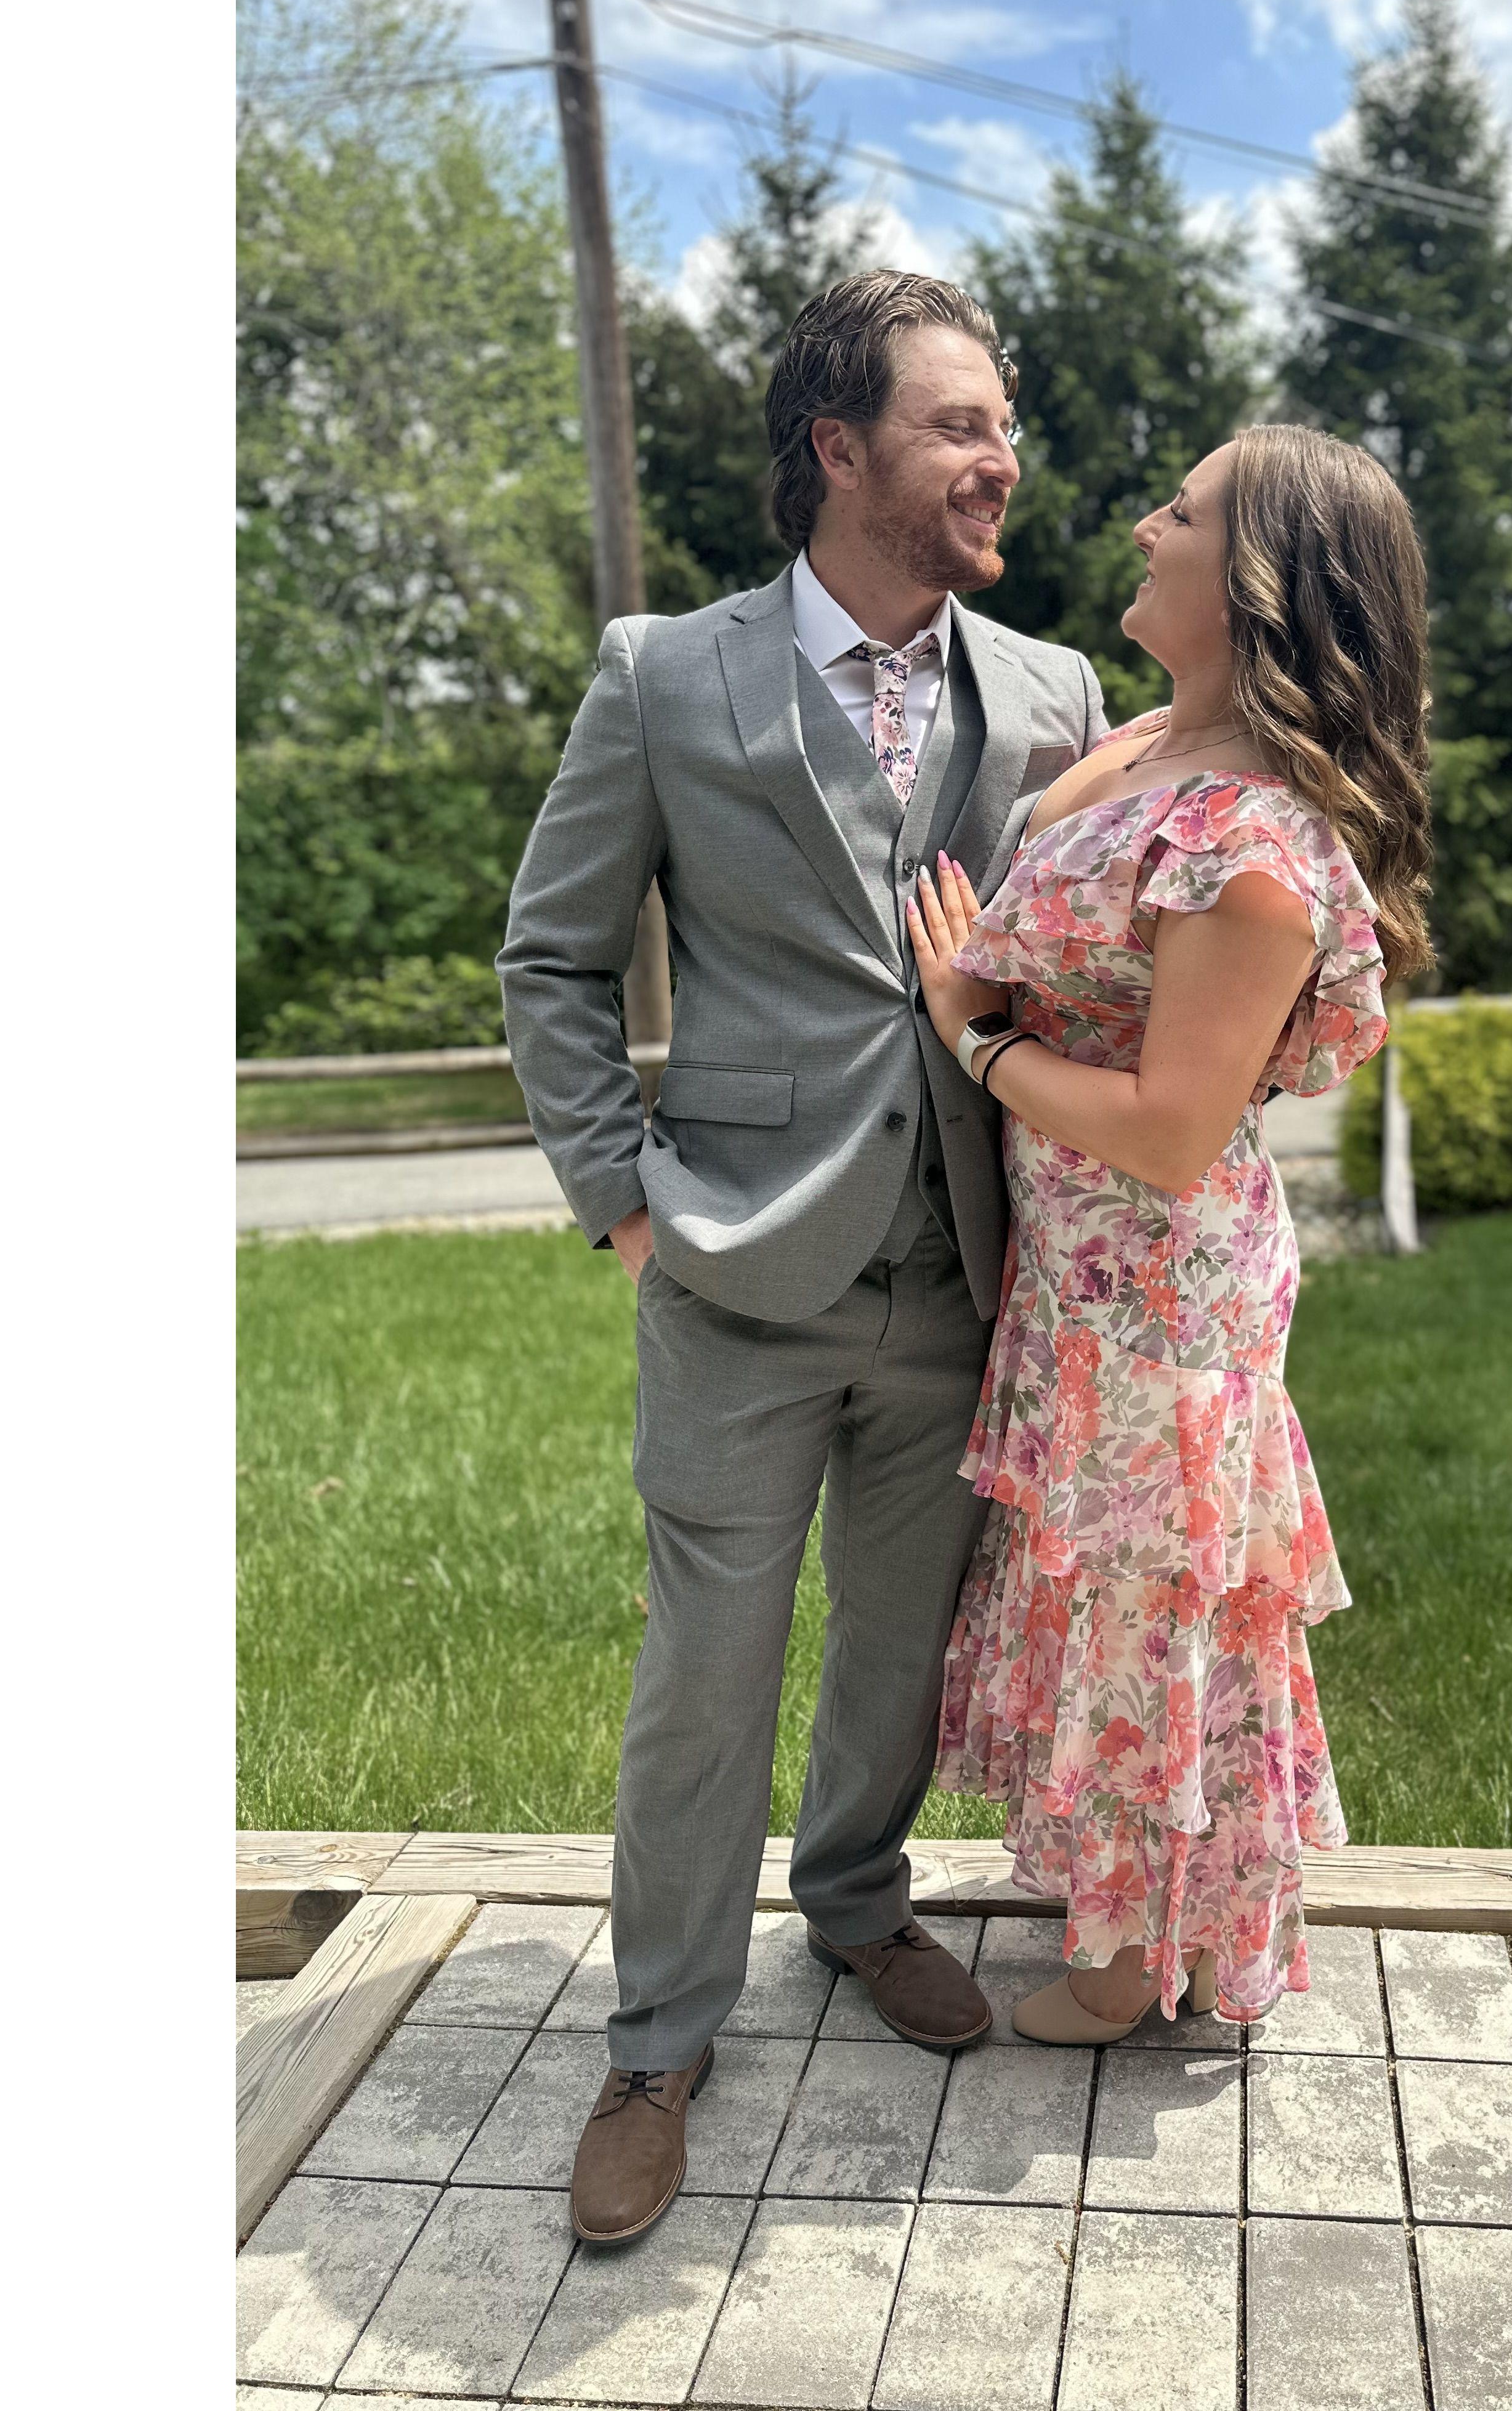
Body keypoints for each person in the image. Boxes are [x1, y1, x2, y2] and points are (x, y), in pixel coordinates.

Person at [498, 272, 1110, 2243]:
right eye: (958, 425)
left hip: (965, 1272)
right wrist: (620, 1194)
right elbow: (550, 955)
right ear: (842, 448)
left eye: (1002, 423)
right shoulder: (668, 676)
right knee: (710, 1669)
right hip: (736, 1272)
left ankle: (855, 1903)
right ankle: (660, 2035)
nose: (999, 458)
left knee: (900, 1645)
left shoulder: (1054, 695)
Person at [908, 422, 1434, 2036]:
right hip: (1082, 1277)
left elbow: (1172, 1125)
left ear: (1265, 578)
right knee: (1115, 1591)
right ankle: (1141, 1910)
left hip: (1156, 1289)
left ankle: (1132, 1963)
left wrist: (974, 1039)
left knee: (1146, 1603)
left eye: (1183, 511)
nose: (1146, 526)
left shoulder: (1251, 842)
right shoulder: (1148, 744)